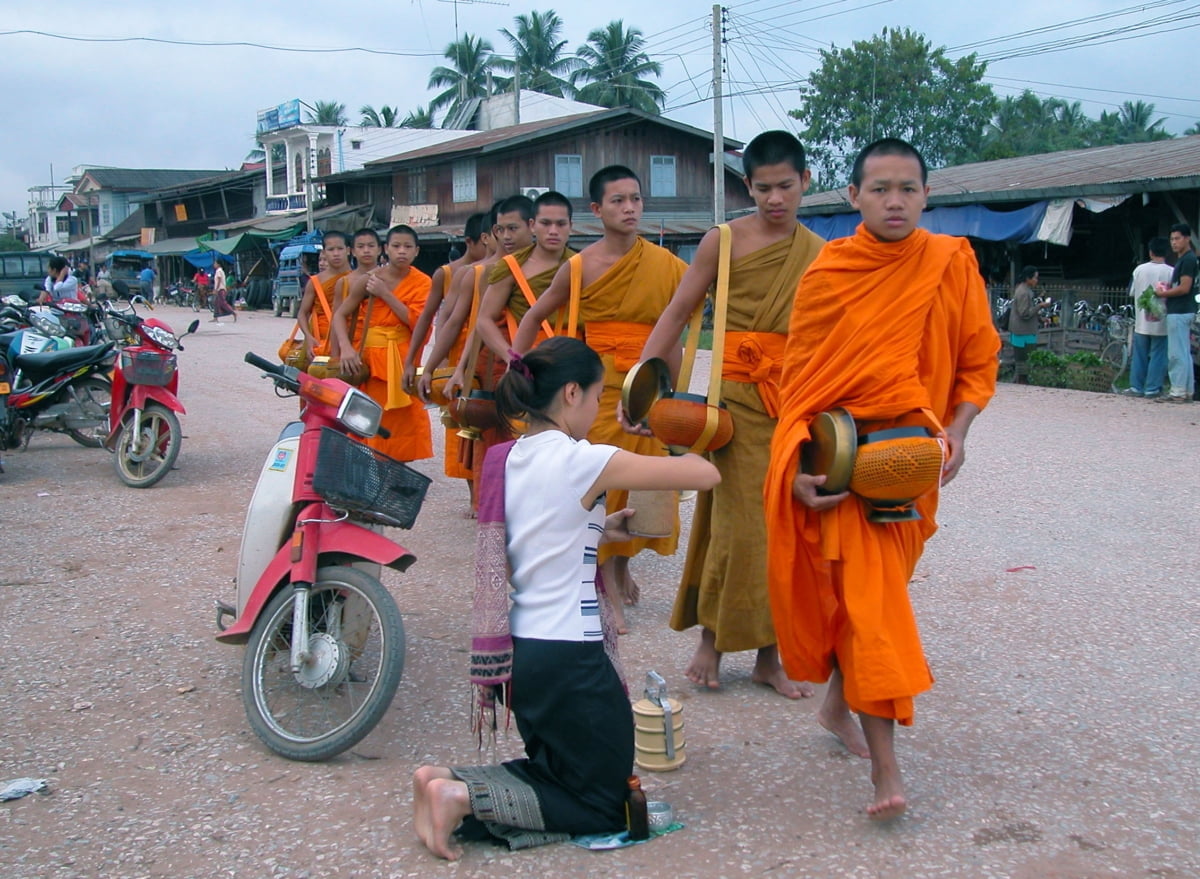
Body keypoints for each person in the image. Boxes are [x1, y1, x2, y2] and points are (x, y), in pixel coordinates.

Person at [411, 337, 719, 861]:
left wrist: (600, 529)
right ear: (572, 393)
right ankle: (459, 796)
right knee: (605, 802)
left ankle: (441, 779)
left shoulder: (507, 459)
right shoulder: (584, 460)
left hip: (524, 655)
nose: (598, 412)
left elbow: (544, 534)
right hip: (570, 657)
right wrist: (663, 431)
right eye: (599, 398)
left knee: (560, 771)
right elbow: (705, 474)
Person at [764, 138, 999, 820]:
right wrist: (800, 469)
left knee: (873, 596)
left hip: (914, 465)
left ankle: (838, 705)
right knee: (873, 609)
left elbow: (978, 361)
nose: (895, 201)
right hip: (844, 462)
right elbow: (799, 382)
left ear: (928, 194)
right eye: (880, 189)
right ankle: (888, 775)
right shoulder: (830, 272)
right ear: (854, 197)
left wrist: (957, 430)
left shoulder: (952, 263)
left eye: (908, 188)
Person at [636, 130, 824, 697]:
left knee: (787, 528)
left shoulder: (819, 252)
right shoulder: (724, 240)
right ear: (748, 186)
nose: (774, 199)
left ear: (805, 182)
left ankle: (770, 654)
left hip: (794, 402)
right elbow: (676, 312)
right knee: (742, 527)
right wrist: (640, 389)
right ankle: (713, 640)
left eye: (785, 187)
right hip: (736, 403)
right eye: (763, 188)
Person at [512, 167, 687, 632]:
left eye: (635, 199)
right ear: (596, 210)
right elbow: (533, 317)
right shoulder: (579, 266)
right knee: (605, 484)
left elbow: (676, 335)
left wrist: (671, 396)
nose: (629, 208)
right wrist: (524, 373)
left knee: (644, 485)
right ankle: (604, 585)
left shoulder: (668, 266)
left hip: (649, 385)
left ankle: (622, 565)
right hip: (601, 388)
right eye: (617, 201)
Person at [332, 225, 433, 462]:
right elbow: (339, 315)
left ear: (416, 251)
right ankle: (373, 476)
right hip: (372, 364)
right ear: (386, 249)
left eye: (408, 247)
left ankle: (397, 475)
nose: (402, 252)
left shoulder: (423, 282)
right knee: (373, 420)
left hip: (403, 359)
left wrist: (385, 294)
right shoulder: (369, 279)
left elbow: (419, 324)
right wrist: (346, 348)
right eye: (396, 246)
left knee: (404, 425)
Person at [1126, 237, 1173, 397]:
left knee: (1139, 354)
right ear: (1166, 252)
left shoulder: (1139, 270)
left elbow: (1132, 292)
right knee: (1159, 354)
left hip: (1141, 321)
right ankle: (1153, 388)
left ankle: (1136, 387)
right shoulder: (1171, 272)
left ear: (1150, 252)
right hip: (1162, 322)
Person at [297, 231, 352, 360]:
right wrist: (308, 337)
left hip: (351, 338)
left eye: (340, 249)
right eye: (331, 249)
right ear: (324, 253)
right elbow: (302, 313)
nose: (336, 254)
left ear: (348, 250)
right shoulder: (315, 282)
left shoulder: (356, 279)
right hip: (321, 339)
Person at [1158, 224, 1197, 403]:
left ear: (1187, 238)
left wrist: (1163, 294)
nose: (1174, 243)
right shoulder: (1186, 259)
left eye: (1177, 238)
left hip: (1180, 310)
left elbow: (1184, 287)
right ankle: (1187, 390)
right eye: (1172, 239)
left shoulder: (1187, 260)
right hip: (1185, 309)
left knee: (1176, 353)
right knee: (1184, 352)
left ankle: (1177, 391)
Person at [1007, 266, 1047, 384]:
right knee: (1024, 361)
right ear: (1028, 278)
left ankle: (1021, 382)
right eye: (1035, 278)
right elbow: (1024, 313)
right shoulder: (1024, 292)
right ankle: (1022, 385)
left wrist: (1040, 319)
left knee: (1022, 361)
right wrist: (1040, 306)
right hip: (1023, 333)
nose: (1036, 280)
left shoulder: (1024, 289)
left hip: (1022, 332)